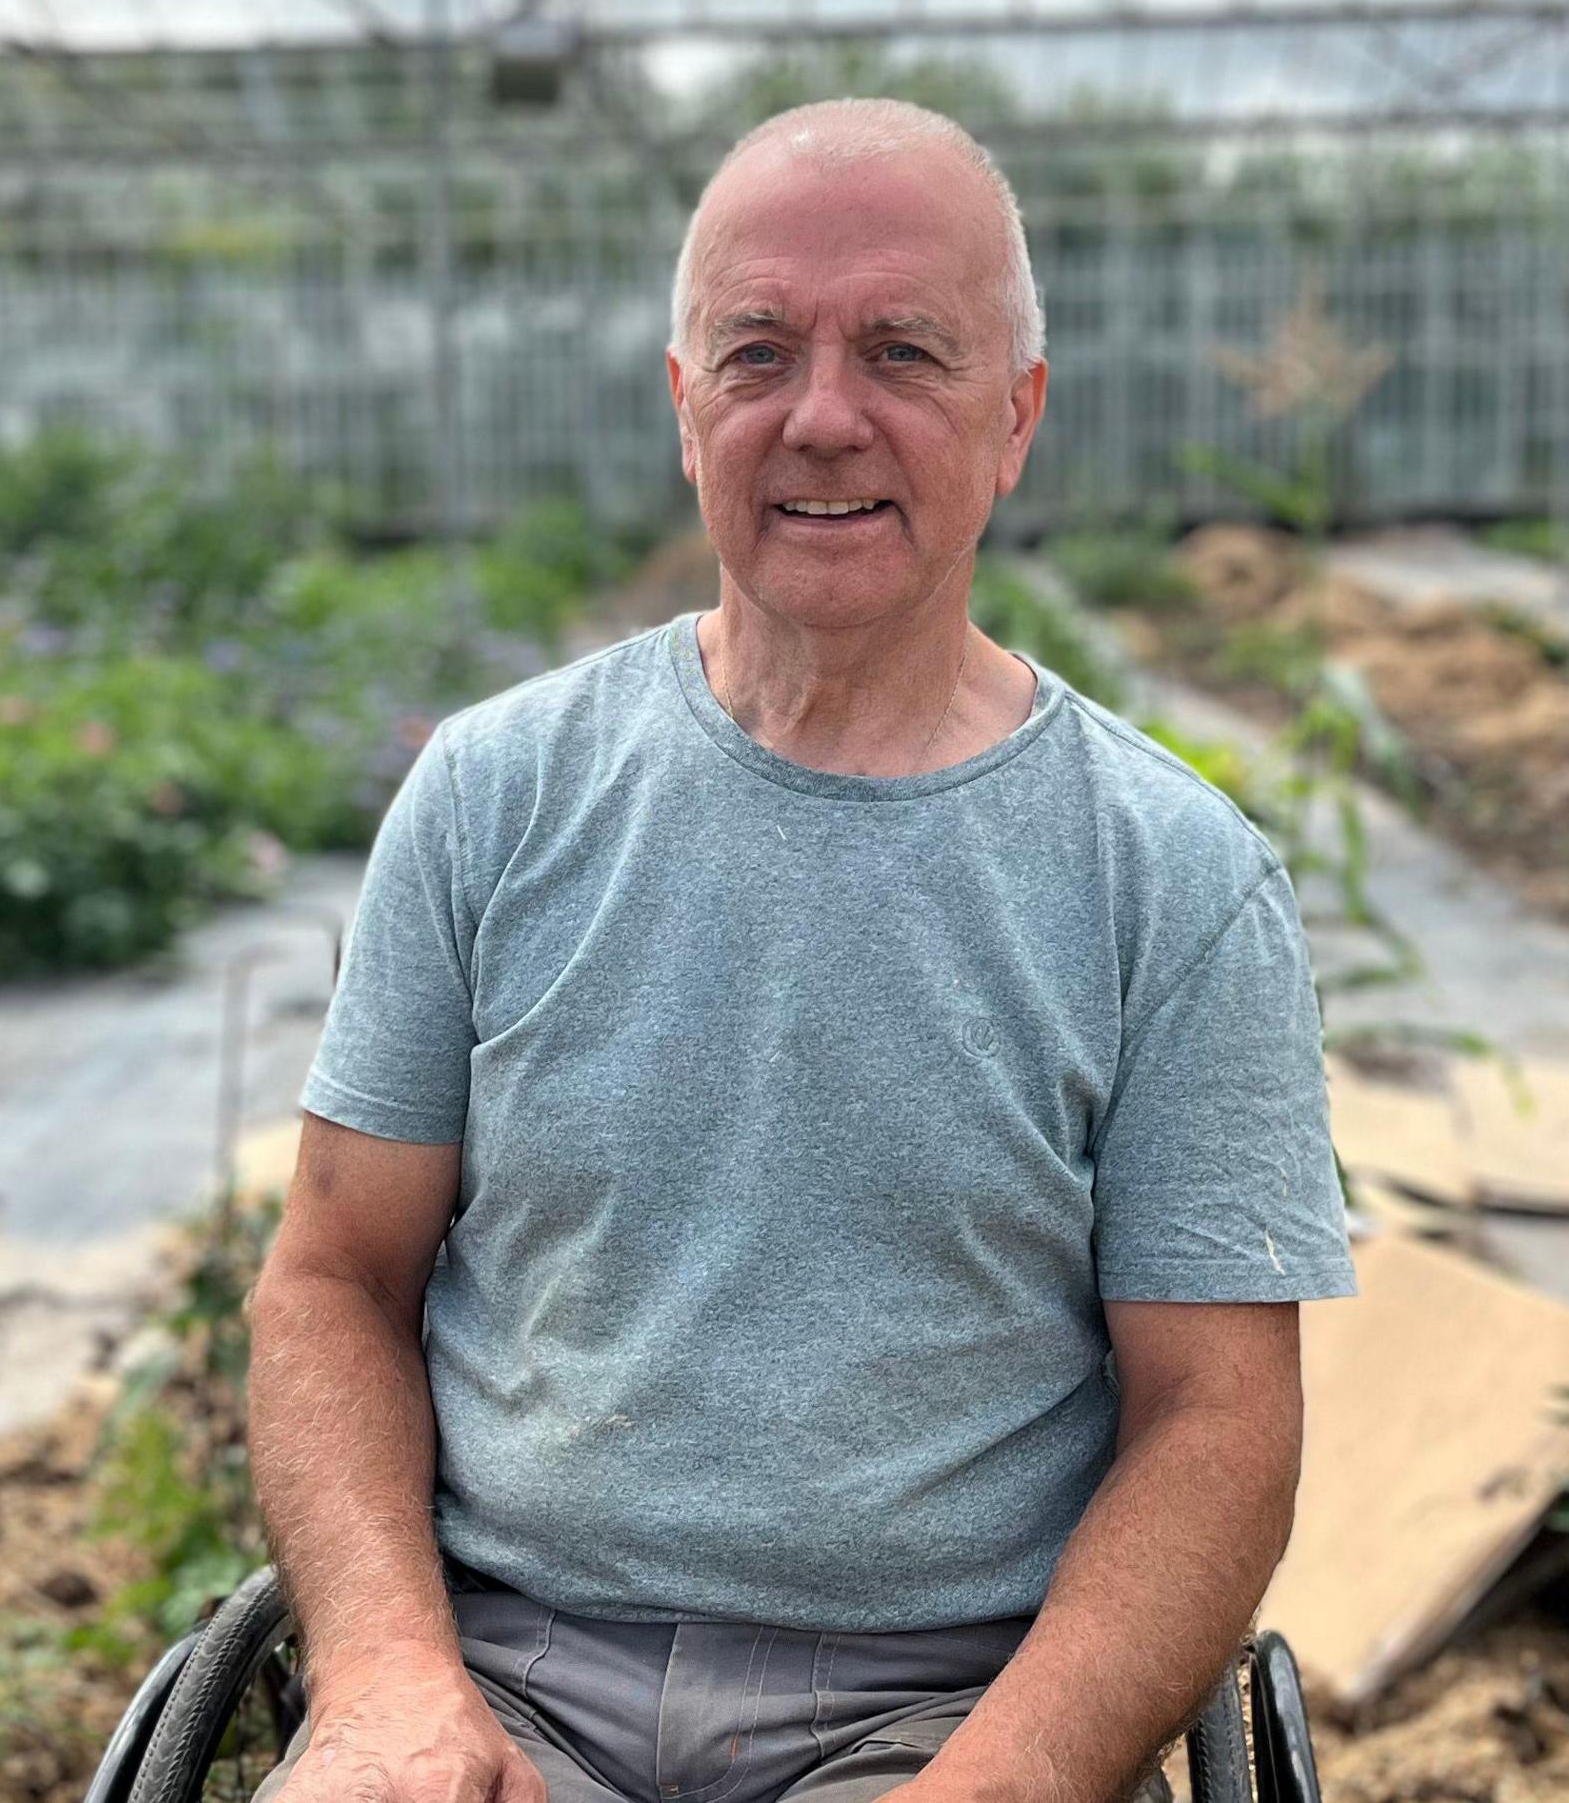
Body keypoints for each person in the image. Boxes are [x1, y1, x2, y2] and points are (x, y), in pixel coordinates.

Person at [244, 98, 1351, 1803]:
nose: (824, 418)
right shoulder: (494, 795)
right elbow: (334, 1278)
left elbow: (1216, 1422)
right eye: (758, 353)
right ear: (688, 415)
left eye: (904, 352)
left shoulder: (1168, 878)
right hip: (504, 1672)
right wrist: (389, 1678)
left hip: (940, 1707)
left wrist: (1009, 1779)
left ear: (1015, 419)